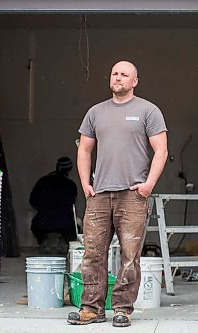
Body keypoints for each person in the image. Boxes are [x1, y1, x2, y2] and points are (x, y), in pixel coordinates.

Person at [67, 60, 168, 327]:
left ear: (134, 81)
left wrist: (148, 186)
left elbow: (162, 151)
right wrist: (85, 183)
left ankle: (122, 309)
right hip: (99, 194)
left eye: (124, 74)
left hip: (133, 195)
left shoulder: (148, 110)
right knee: (92, 254)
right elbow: (84, 150)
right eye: (114, 73)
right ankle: (91, 308)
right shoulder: (95, 112)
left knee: (130, 255)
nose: (118, 77)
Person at [29, 156, 78, 254]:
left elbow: (32, 201)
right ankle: (64, 242)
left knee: (35, 224)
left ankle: (43, 241)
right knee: (76, 225)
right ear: (69, 169)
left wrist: (43, 210)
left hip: (43, 221)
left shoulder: (42, 181)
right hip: (65, 223)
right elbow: (72, 203)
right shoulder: (71, 185)